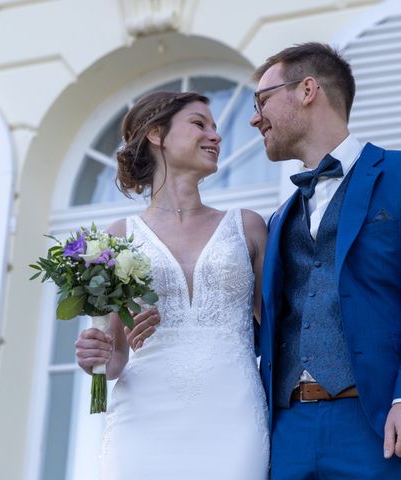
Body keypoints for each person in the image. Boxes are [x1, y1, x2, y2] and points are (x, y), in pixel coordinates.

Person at [250, 42, 401, 479]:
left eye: (262, 100)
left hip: (378, 423)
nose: (255, 118)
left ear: (307, 90)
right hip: (288, 432)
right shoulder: (280, 217)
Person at [74, 91, 269, 479]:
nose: (215, 136)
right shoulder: (117, 238)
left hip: (233, 416)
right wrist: (95, 353)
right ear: (157, 135)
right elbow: (111, 364)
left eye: (215, 128)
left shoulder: (247, 227)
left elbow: (278, 331)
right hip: (144, 420)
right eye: (200, 124)